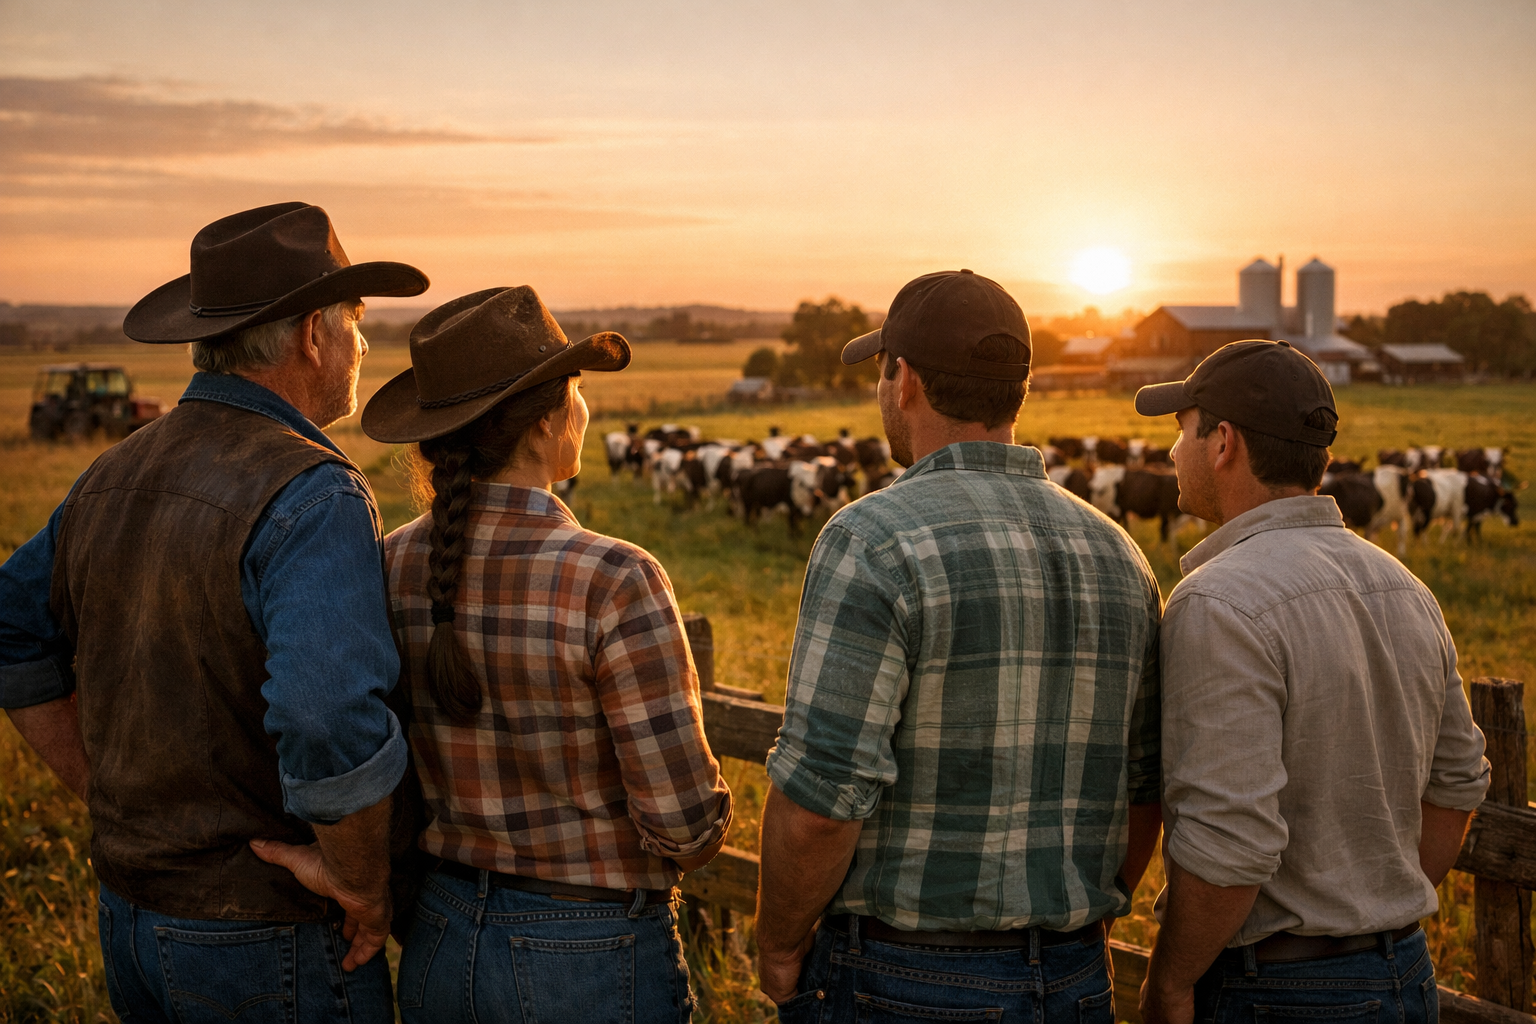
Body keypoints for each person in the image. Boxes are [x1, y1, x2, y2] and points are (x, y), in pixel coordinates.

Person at [0, 202, 428, 1020]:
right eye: (357, 324)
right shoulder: (312, 490)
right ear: (313, 335)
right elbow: (324, 714)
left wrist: (104, 793)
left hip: (130, 916)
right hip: (269, 937)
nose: (365, 347)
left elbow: (10, 623)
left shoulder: (112, 471)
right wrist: (359, 881)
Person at [755, 269, 1165, 1022]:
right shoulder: (1120, 554)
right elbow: (1145, 784)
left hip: (907, 975)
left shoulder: (873, 540)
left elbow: (822, 801)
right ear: (1018, 391)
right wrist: (1090, 919)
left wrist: (778, 944)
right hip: (1074, 974)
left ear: (903, 380)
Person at [357, 286, 732, 1022]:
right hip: (587, 952)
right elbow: (684, 826)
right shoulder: (615, 578)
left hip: (438, 935)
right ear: (543, 426)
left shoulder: (387, 564)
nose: (584, 411)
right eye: (577, 392)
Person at [1133, 340, 1490, 1024]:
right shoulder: (1403, 585)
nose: (1173, 454)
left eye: (1181, 432)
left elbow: (1230, 839)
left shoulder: (1219, 600)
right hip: (1402, 973)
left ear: (1223, 443)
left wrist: (1172, 982)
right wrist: (1373, 901)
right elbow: (1458, 783)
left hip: (1277, 990)